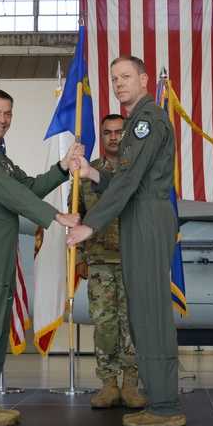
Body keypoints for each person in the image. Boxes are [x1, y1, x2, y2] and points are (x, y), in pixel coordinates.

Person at [66, 55, 185, 426]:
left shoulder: (147, 121)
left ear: (144, 79)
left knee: (150, 313)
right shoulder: (136, 122)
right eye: (114, 78)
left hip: (146, 215)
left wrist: (91, 225)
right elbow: (127, 175)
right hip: (140, 213)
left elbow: (132, 180)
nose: (119, 83)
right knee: (143, 312)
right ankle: (160, 401)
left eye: (126, 76)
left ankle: (165, 407)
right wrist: (92, 173)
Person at [0, 88, 78, 426]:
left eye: (7, 113)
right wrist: (56, 216)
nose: (2, 119)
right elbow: (10, 193)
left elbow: (27, 187)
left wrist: (61, 168)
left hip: (2, 249)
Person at [72, 113, 146, 409]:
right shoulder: (87, 173)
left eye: (119, 132)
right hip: (99, 261)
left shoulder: (138, 171)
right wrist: (79, 256)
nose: (114, 137)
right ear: (101, 137)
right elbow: (75, 216)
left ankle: (131, 384)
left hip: (134, 260)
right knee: (104, 324)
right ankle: (108, 385)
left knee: (132, 325)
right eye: (108, 132)